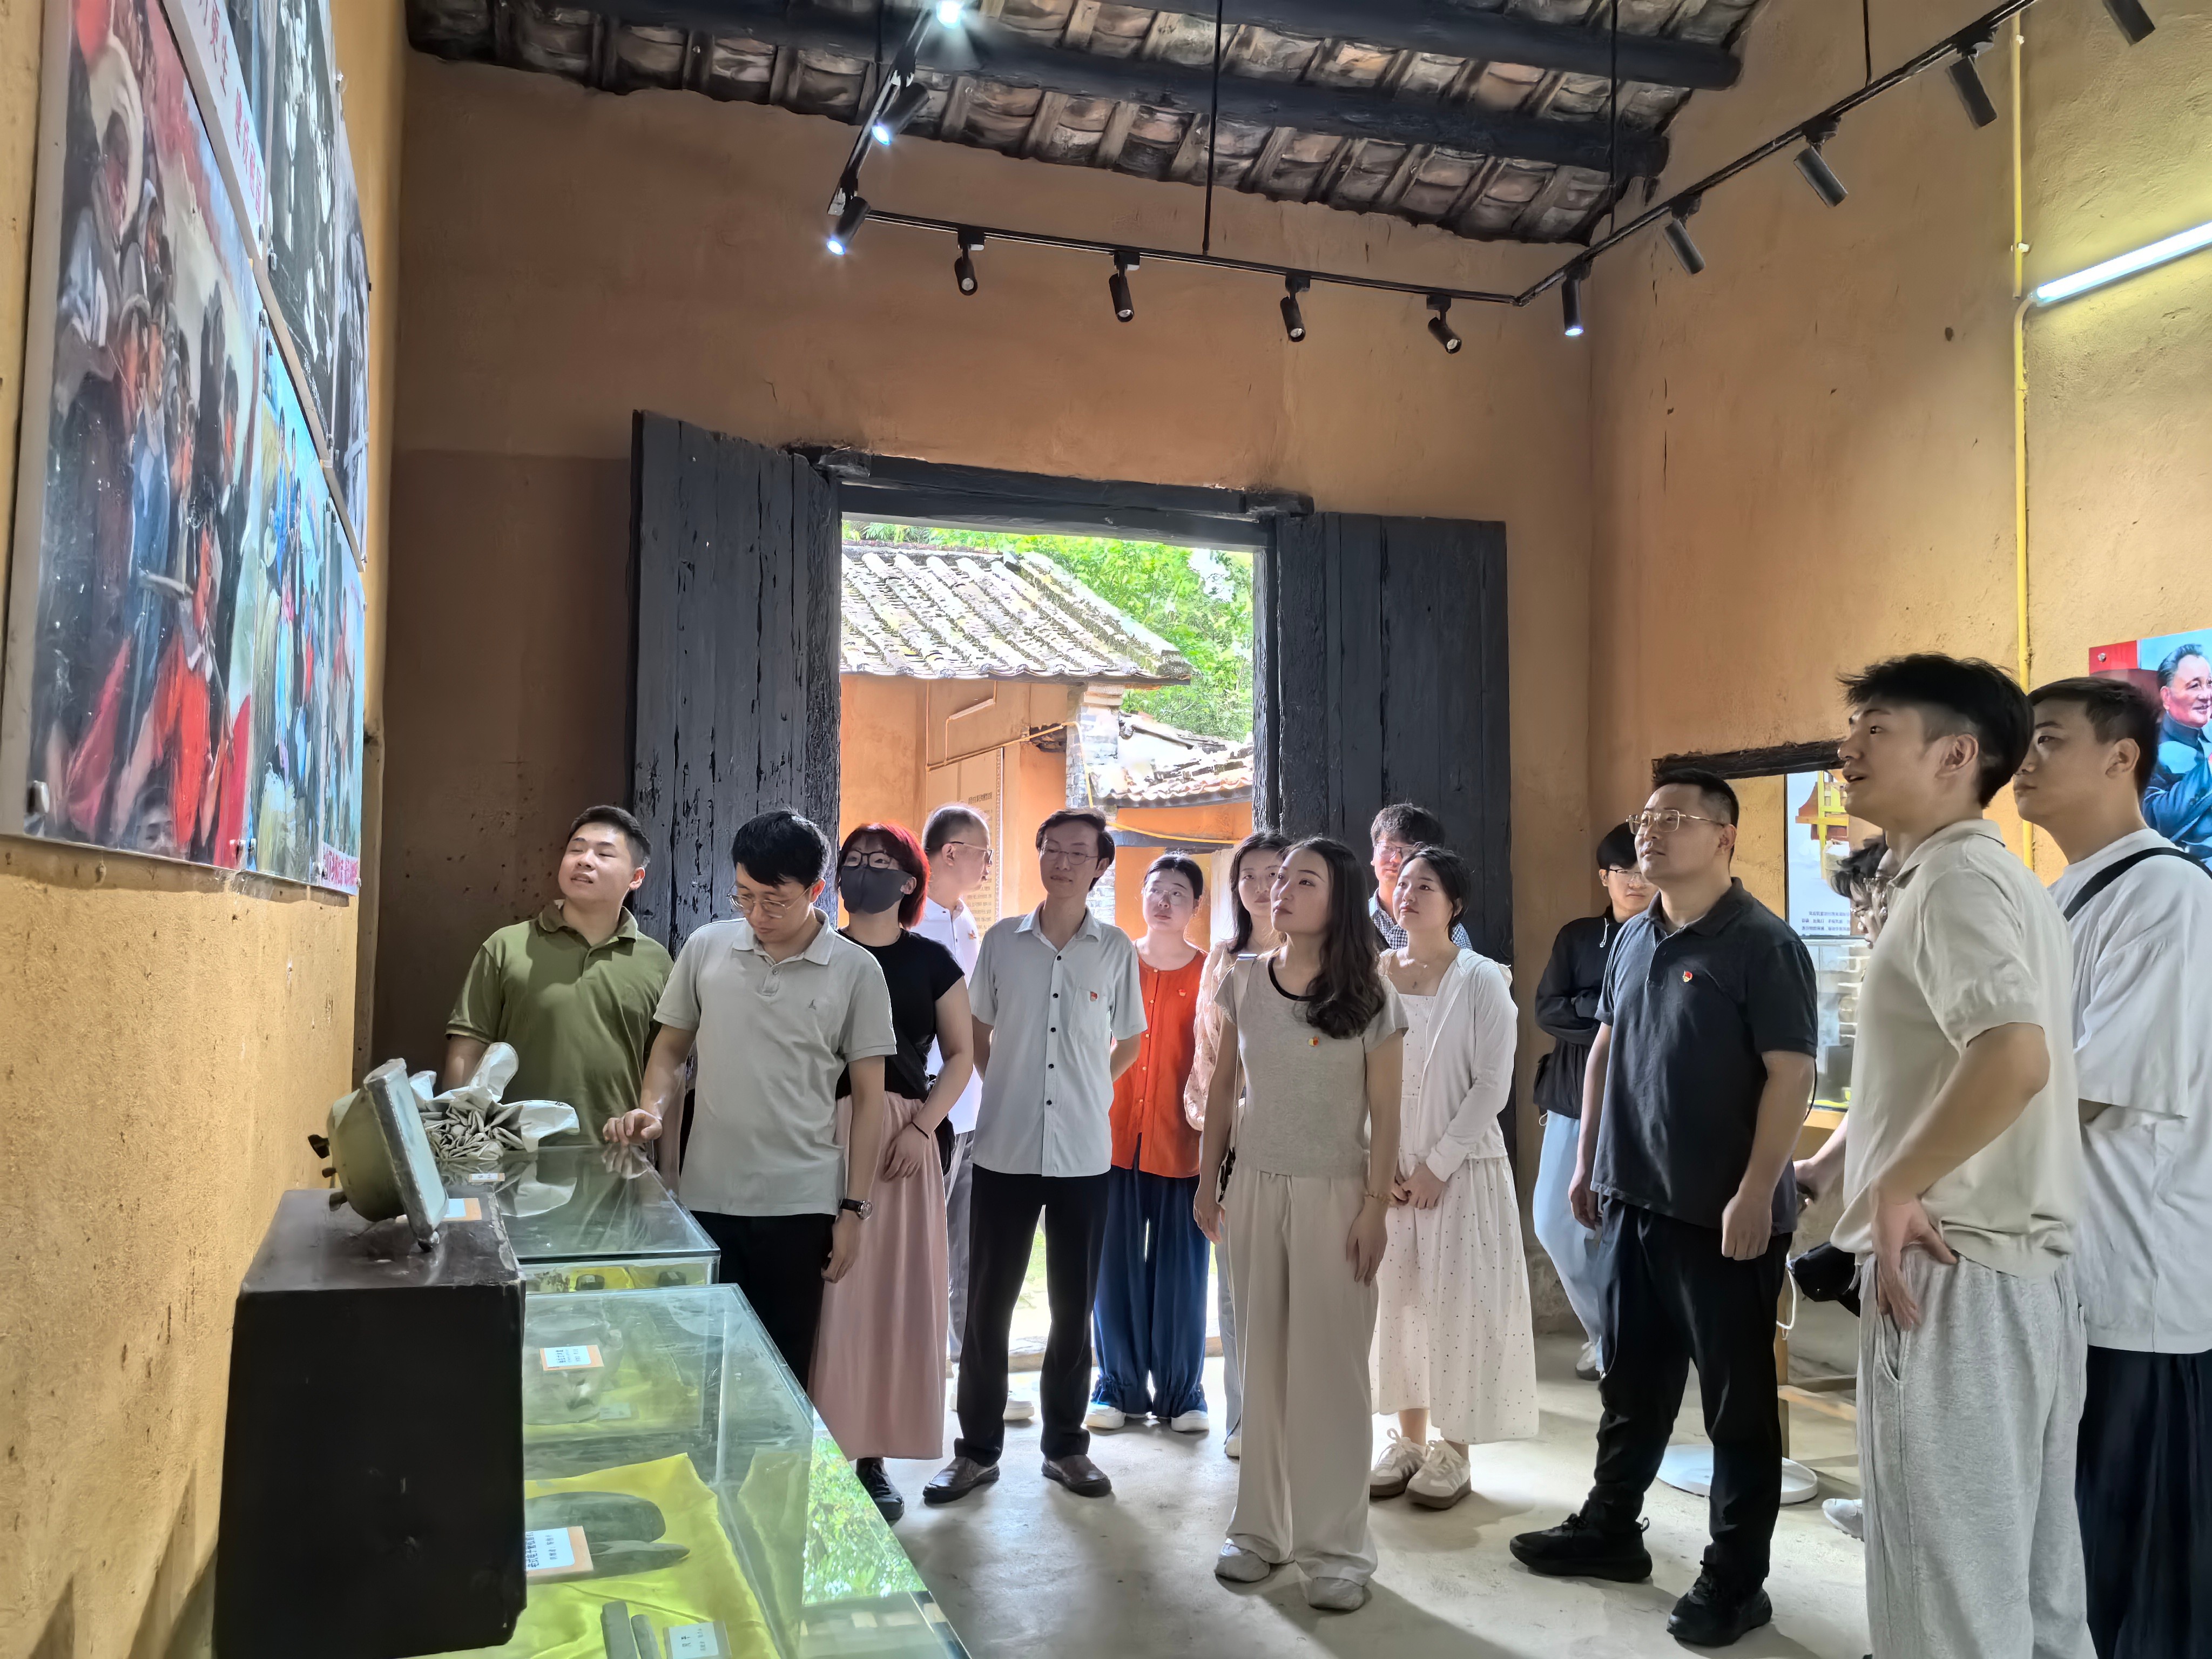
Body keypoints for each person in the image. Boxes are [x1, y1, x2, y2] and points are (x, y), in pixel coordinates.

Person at [1511, 767, 1817, 1649]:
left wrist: (1757, 1190)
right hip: (1633, 1197)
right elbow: (1606, 1047)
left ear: (1725, 836)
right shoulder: (1635, 933)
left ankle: (1737, 1579)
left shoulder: (1762, 943)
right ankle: (1612, 1528)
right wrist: (1590, 1163)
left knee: (1736, 1407)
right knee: (1631, 1385)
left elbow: (1792, 1074)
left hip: (1723, 1216)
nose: (1653, 830)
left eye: (1676, 817)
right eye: (1647, 817)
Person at [1825, 654, 2088, 1659]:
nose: (1848, 747)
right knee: (2033, 1594)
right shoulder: (1991, 877)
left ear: (1954, 755)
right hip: (2017, 1276)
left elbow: (2012, 1057)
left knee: (1948, 1603)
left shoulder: (1952, 879)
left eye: (1876, 727)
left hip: (1950, 1272)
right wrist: (1847, 1167)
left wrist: (1896, 1182)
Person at [2014, 676, 2212, 1659]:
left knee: (2131, 1555)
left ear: (2122, 757)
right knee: (2065, 1540)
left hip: (2135, 1279)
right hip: (2064, 1266)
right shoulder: (2060, 896)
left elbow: (2085, 1089)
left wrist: (1926, 1165)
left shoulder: (2169, 895)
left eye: (2048, 739)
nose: (2024, 760)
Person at [608, 810, 896, 1390]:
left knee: (780, 1375)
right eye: (744, 896)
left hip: (801, 1204)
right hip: (708, 1196)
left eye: (775, 901)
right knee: (700, 1369)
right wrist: (652, 1111)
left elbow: (870, 1101)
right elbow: (670, 1052)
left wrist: (853, 1211)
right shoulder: (707, 947)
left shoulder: (857, 970)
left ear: (816, 890)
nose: (758, 914)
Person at [1196, 838, 1406, 1614]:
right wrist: (1208, 1181)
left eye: (1302, 881)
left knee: (1332, 1374)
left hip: (1337, 1195)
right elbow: (1224, 1088)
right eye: (1278, 878)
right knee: (1263, 1366)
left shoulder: (1373, 994)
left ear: (1339, 899)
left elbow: (1387, 1114)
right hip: (1254, 1187)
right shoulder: (1244, 978)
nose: (1279, 889)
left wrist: (1376, 1206)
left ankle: (1337, 1550)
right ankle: (1261, 1532)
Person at [926, 808, 1146, 1506]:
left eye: (1079, 852)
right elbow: (977, 1030)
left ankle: (1066, 1447)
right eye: (1053, 848)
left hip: (1083, 1153)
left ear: (1101, 865)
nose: (1063, 862)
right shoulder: (1002, 942)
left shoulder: (1114, 949)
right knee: (987, 1307)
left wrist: (1089, 1087)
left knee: (1072, 1308)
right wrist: (1007, 1086)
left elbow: (1131, 1039)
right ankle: (976, 1451)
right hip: (1005, 1148)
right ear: (1040, 854)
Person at [811, 822, 975, 1526]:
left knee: (886, 1298)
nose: (865, 870)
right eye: (854, 860)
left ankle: (871, 1456)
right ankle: (819, 1449)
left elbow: (961, 1055)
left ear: (910, 881)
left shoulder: (932, 961)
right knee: (827, 1296)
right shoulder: (818, 950)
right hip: (821, 1131)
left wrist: (923, 1127)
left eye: (881, 861)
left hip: (901, 1141)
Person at [1368, 845, 1538, 1511]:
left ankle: (1454, 1450)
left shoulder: (1481, 978)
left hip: (1461, 1170)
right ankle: (1406, 1442)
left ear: (1455, 904)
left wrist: (1436, 1166)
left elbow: (1492, 1085)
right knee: (1399, 1304)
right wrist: (1381, 1163)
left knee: (1458, 1308)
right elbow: (1359, 1073)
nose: (1408, 895)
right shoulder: (1376, 973)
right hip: (1389, 1171)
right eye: (1403, 884)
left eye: (1426, 887)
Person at [443, 806, 673, 1142]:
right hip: (514, 1155)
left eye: (604, 854)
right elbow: (467, 1050)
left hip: (617, 1156)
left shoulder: (657, 962)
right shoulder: (506, 946)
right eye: (576, 850)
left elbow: (667, 1064)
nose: (585, 860)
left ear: (636, 878)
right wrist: (457, 1143)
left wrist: (669, 1165)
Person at [1089, 855, 1212, 1434]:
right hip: (1109, 1137)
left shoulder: (1212, 973)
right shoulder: (1113, 960)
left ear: (1197, 906)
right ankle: (1116, 1387)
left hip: (1184, 1142)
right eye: (1156, 889)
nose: (1164, 901)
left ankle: (1183, 1395)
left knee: (1181, 1273)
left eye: (1178, 893)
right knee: (1111, 1266)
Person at [1530, 821, 1651, 1380]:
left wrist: (1589, 1009)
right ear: (1604, 877)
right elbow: (1547, 1010)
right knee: (1555, 1222)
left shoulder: (1674, 934)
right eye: (1623, 871)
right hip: (1572, 1099)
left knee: (1629, 1229)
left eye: (1643, 870)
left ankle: (1621, 1345)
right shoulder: (1579, 938)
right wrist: (1605, 1015)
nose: (1635, 881)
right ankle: (1608, 1333)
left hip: (1645, 1104)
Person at [1186, 831, 1291, 1461]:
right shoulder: (1223, 957)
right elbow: (1207, 1052)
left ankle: (1293, 1419)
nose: (1260, 886)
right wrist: (1213, 1135)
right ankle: (1243, 1418)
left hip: (1299, 1134)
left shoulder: (1319, 957)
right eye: (1247, 875)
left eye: (1274, 873)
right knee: (1234, 1289)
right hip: (1234, 1138)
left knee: (1296, 1283)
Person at [915, 804, 1020, 1411]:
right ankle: (925, 1372)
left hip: (977, 1114)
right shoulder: (909, 923)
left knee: (974, 1254)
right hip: (930, 1116)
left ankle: (975, 1375)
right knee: (924, 1254)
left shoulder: (967, 923)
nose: (987, 865)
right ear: (951, 852)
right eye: (983, 853)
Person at [1367, 802, 1472, 951]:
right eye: (1387, 848)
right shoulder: (1351, 920)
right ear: (1374, 854)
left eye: (1409, 851)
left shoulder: (1449, 931)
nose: (1395, 859)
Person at [2144, 642, 2212, 866]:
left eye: (2210, 684)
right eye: (2194, 686)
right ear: (2167, 697)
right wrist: (2209, 770)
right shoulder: (2147, 747)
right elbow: (2154, 821)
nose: (2207, 695)